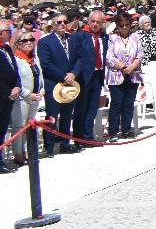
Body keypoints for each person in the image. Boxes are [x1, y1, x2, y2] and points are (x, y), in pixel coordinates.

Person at [65, 9, 110, 147]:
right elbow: (75, 57)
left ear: (103, 23)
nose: (95, 24)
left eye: (98, 22)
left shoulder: (104, 37)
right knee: (81, 108)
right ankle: (79, 138)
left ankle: (88, 136)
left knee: (92, 108)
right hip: (83, 77)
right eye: (93, 21)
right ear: (88, 21)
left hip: (98, 75)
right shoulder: (79, 36)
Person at [36, 13, 72, 155]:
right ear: (53, 24)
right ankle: (49, 145)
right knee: (52, 115)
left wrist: (73, 73)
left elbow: (79, 58)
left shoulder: (71, 39)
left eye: (65, 22)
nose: (62, 24)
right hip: (54, 83)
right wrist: (64, 76)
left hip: (70, 83)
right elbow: (46, 63)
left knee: (67, 114)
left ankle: (65, 144)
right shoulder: (45, 41)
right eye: (59, 22)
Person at [105, 12, 144, 140]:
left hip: (133, 74)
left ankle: (126, 129)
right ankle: (113, 132)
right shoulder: (112, 38)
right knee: (116, 104)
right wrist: (122, 67)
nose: (125, 27)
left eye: (127, 24)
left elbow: (140, 54)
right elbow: (109, 56)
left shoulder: (136, 37)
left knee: (129, 103)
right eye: (122, 25)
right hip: (116, 75)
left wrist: (132, 67)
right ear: (117, 25)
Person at [8, 31, 43, 165]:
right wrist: (28, 94)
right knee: (19, 126)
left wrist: (42, 90)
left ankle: (27, 151)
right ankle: (18, 153)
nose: (29, 42)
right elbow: (16, 80)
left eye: (31, 39)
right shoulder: (15, 59)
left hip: (36, 96)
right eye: (25, 40)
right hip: (22, 98)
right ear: (18, 44)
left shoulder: (34, 58)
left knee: (29, 125)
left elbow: (40, 75)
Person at [0, 30, 18, 172]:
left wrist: (18, 85)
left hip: (11, 95)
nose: (10, 33)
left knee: (2, 129)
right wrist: (7, 92)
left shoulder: (6, 48)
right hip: (3, 94)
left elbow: (14, 69)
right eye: (8, 31)